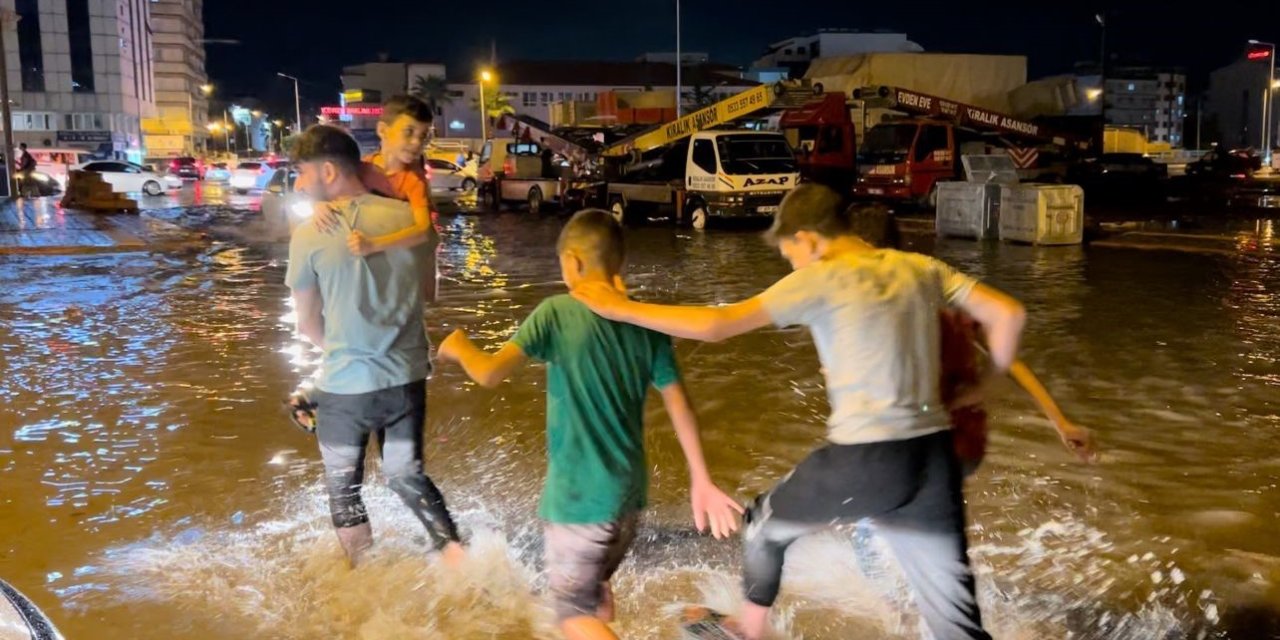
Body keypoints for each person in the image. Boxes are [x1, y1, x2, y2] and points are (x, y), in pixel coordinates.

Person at [572, 184, 1028, 640]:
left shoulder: (823, 275)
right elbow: (1008, 314)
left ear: (808, 238)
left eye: (789, 253)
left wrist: (621, 307)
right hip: (934, 462)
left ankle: (750, 631)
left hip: (866, 459)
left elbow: (716, 325)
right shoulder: (922, 268)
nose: (791, 265)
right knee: (958, 628)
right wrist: (989, 384)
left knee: (761, 528)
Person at [435, 209, 743, 640]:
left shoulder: (556, 313)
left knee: (572, 617)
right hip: (628, 498)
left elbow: (489, 373)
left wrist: (458, 346)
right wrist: (701, 479)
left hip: (579, 500)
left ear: (573, 263)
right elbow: (679, 403)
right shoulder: (645, 321)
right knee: (594, 593)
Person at [284, 124, 464, 568]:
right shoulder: (412, 220)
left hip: (347, 389)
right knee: (405, 476)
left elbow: (307, 323)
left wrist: (340, 357)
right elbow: (429, 295)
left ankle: (365, 582)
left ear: (327, 171)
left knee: (344, 487)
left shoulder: (308, 234)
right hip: (406, 380)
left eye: (303, 174)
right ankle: (462, 561)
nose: (299, 184)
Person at [312, 95, 439, 260]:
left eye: (423, 136)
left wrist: (373, 244)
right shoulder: (360, 168)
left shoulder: (414, 181)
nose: (416, 142)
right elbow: (332, 194)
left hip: (391, 259)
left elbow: (423, 230)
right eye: (409, 132)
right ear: (382, 130)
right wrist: (318, 205)